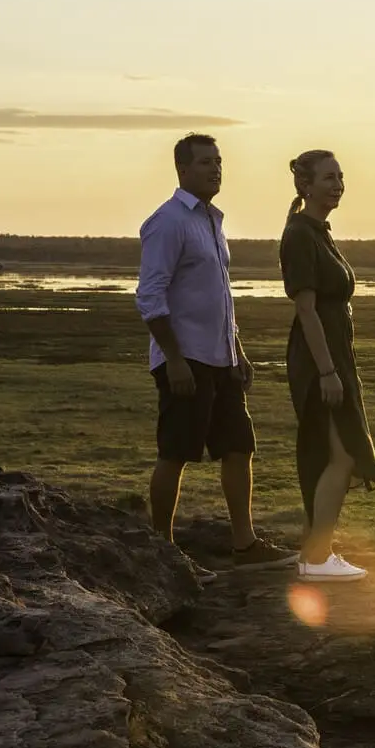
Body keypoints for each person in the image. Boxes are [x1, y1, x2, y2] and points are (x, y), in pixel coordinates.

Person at [136, 132, 297, 579]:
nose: (215, 169)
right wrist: (175, 359)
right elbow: (150, 297)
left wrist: (238, 349)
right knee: (176, 451)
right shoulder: (168, 222)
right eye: (205, 162)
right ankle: (163, 552)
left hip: (221, 358)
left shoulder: (213, 221)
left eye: (219, 162)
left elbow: (218, 296)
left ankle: (244, 545)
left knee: (238, 446)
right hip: (185, 360)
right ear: (182, 170)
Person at [279, 149, 375, 582]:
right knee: (341, 456)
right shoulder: (300, 235)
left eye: (340, 176)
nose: (337, 184)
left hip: (334, 356)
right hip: (318, 358)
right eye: (328, 177)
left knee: (330, 454)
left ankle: (311, 552)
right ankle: (318, 559)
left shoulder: (319, 231)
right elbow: (307, 310)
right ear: (306, 185)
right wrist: (326, 371)